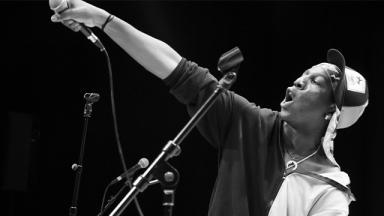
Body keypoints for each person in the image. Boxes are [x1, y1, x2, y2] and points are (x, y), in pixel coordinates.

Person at [51, 1, 369, 215]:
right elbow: (178, 70)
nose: (296, 82)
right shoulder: (253, 124)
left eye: (314, 81)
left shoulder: (331, 193)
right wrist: (102, 19)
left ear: (331, 114)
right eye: (302, 73)